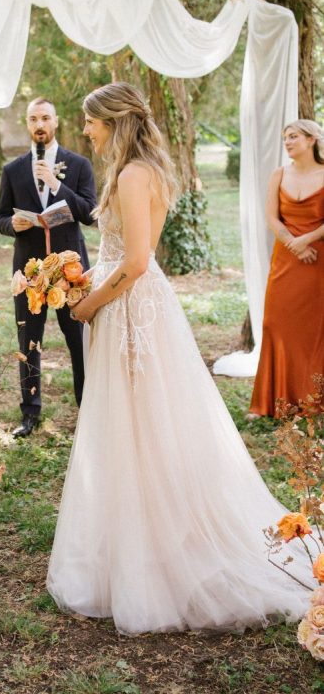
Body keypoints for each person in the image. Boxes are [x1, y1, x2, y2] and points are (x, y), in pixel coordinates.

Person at [46, 83, 310, 634]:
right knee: (133, 426)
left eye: (91, 121)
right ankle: (134, 539)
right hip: (126, 306)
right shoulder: (132, 170)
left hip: (131, 311)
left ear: (113, 122)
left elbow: (138, 260)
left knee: (145, 424)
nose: (86, 130)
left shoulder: (135, 174)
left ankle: (165, 551)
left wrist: (89, 303)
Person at [0, 97, 97, 438]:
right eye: (33, 118)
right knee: (29, 341)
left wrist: (56, 185)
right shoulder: (12, 170)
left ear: (56, 122)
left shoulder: (79, 164)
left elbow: (89, 213)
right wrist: (13, 225)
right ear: (28, 124)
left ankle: (88, 407)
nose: (39, 124)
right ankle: (30, 413)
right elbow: (0, 217)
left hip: (70, 269)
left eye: (45, 118)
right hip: (28, 270)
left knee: (78, 339)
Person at [248, 120, 324, 419]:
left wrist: (308, 239)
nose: (288, 142)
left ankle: (312, 401)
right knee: (274, 324)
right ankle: (271, 401)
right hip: (286, 258)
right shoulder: (279, 174)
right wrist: (293, 243)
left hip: (318, 260)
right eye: (285, 138)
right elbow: (271, 217)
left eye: (293, 137)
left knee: (314, 331)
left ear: (312, 139)